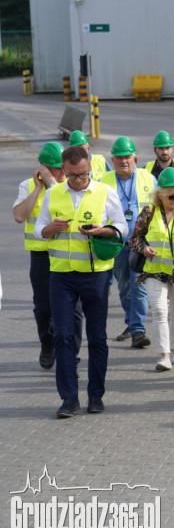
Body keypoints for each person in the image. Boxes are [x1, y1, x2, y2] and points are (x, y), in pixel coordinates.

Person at [36, 145, 128, 417]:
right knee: (64, 337)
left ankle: (96, 396)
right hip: (62, 276)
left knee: (97, 337)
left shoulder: (104, 192)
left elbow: (122, 227)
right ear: (63, 171)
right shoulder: (52, 194)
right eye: (74, 175)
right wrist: (51, 229)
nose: (79, 180)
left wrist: (104, 230)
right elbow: (41, 230)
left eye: (84, 174)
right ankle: (68, 399)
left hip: (96, 275)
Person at [13, 142, 83, 369]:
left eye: (62, 168)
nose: (62, 173)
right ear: (42, 168)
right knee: (43, 308)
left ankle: (71, 353)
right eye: (55, 169)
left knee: (73, 309)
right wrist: (36, 188)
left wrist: (53, 183)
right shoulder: (27, 185)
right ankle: (48, 344)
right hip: (42, 257)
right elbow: (20, 216)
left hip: (68, 255)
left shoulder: (69, 186)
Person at [128, 168, 174, 371]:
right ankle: (163, 355)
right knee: (159, 311)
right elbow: (134, 239)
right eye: (171, 196)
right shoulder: (149, 212)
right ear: (160, 195)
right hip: (154, 272)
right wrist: (143, 248)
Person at [101, 136, 154, 348]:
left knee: (138, 285)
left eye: (128, 157)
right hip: (116, 242)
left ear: (135, 158)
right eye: (119, 158)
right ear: (113, 160)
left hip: (139, 243)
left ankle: (138, 330)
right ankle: (132, 323)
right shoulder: (103, 182)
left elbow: (158, 208)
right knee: (124, 287)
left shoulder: (148, 179)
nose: (124, 161)